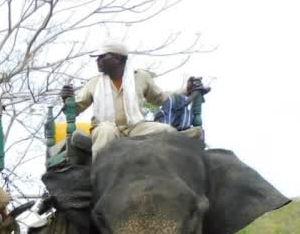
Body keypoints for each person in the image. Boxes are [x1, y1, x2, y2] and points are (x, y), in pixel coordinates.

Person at [61, 41, 204, 155]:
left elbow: (160, 98)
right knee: (106, 131)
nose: (97, 61)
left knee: (166, 131)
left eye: (102, 57)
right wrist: (67, 100)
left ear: (117, 59)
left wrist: (186, 90)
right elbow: (75, 109)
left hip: (136, 126)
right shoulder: (94, 83)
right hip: (106, 127)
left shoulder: (141, 77)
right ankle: (100, 176)